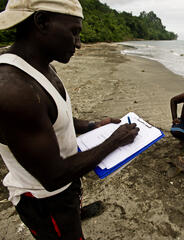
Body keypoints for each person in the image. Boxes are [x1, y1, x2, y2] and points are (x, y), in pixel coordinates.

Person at [0, 0, 139, 239]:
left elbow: (56, 118)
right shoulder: (14, 90)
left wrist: (94, 125)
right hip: (45, 199)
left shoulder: (42, 66)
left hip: (66, 189)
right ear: (42, 22)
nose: (79, 43)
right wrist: (113, 141)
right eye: (74, 32)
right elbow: (53, 176)